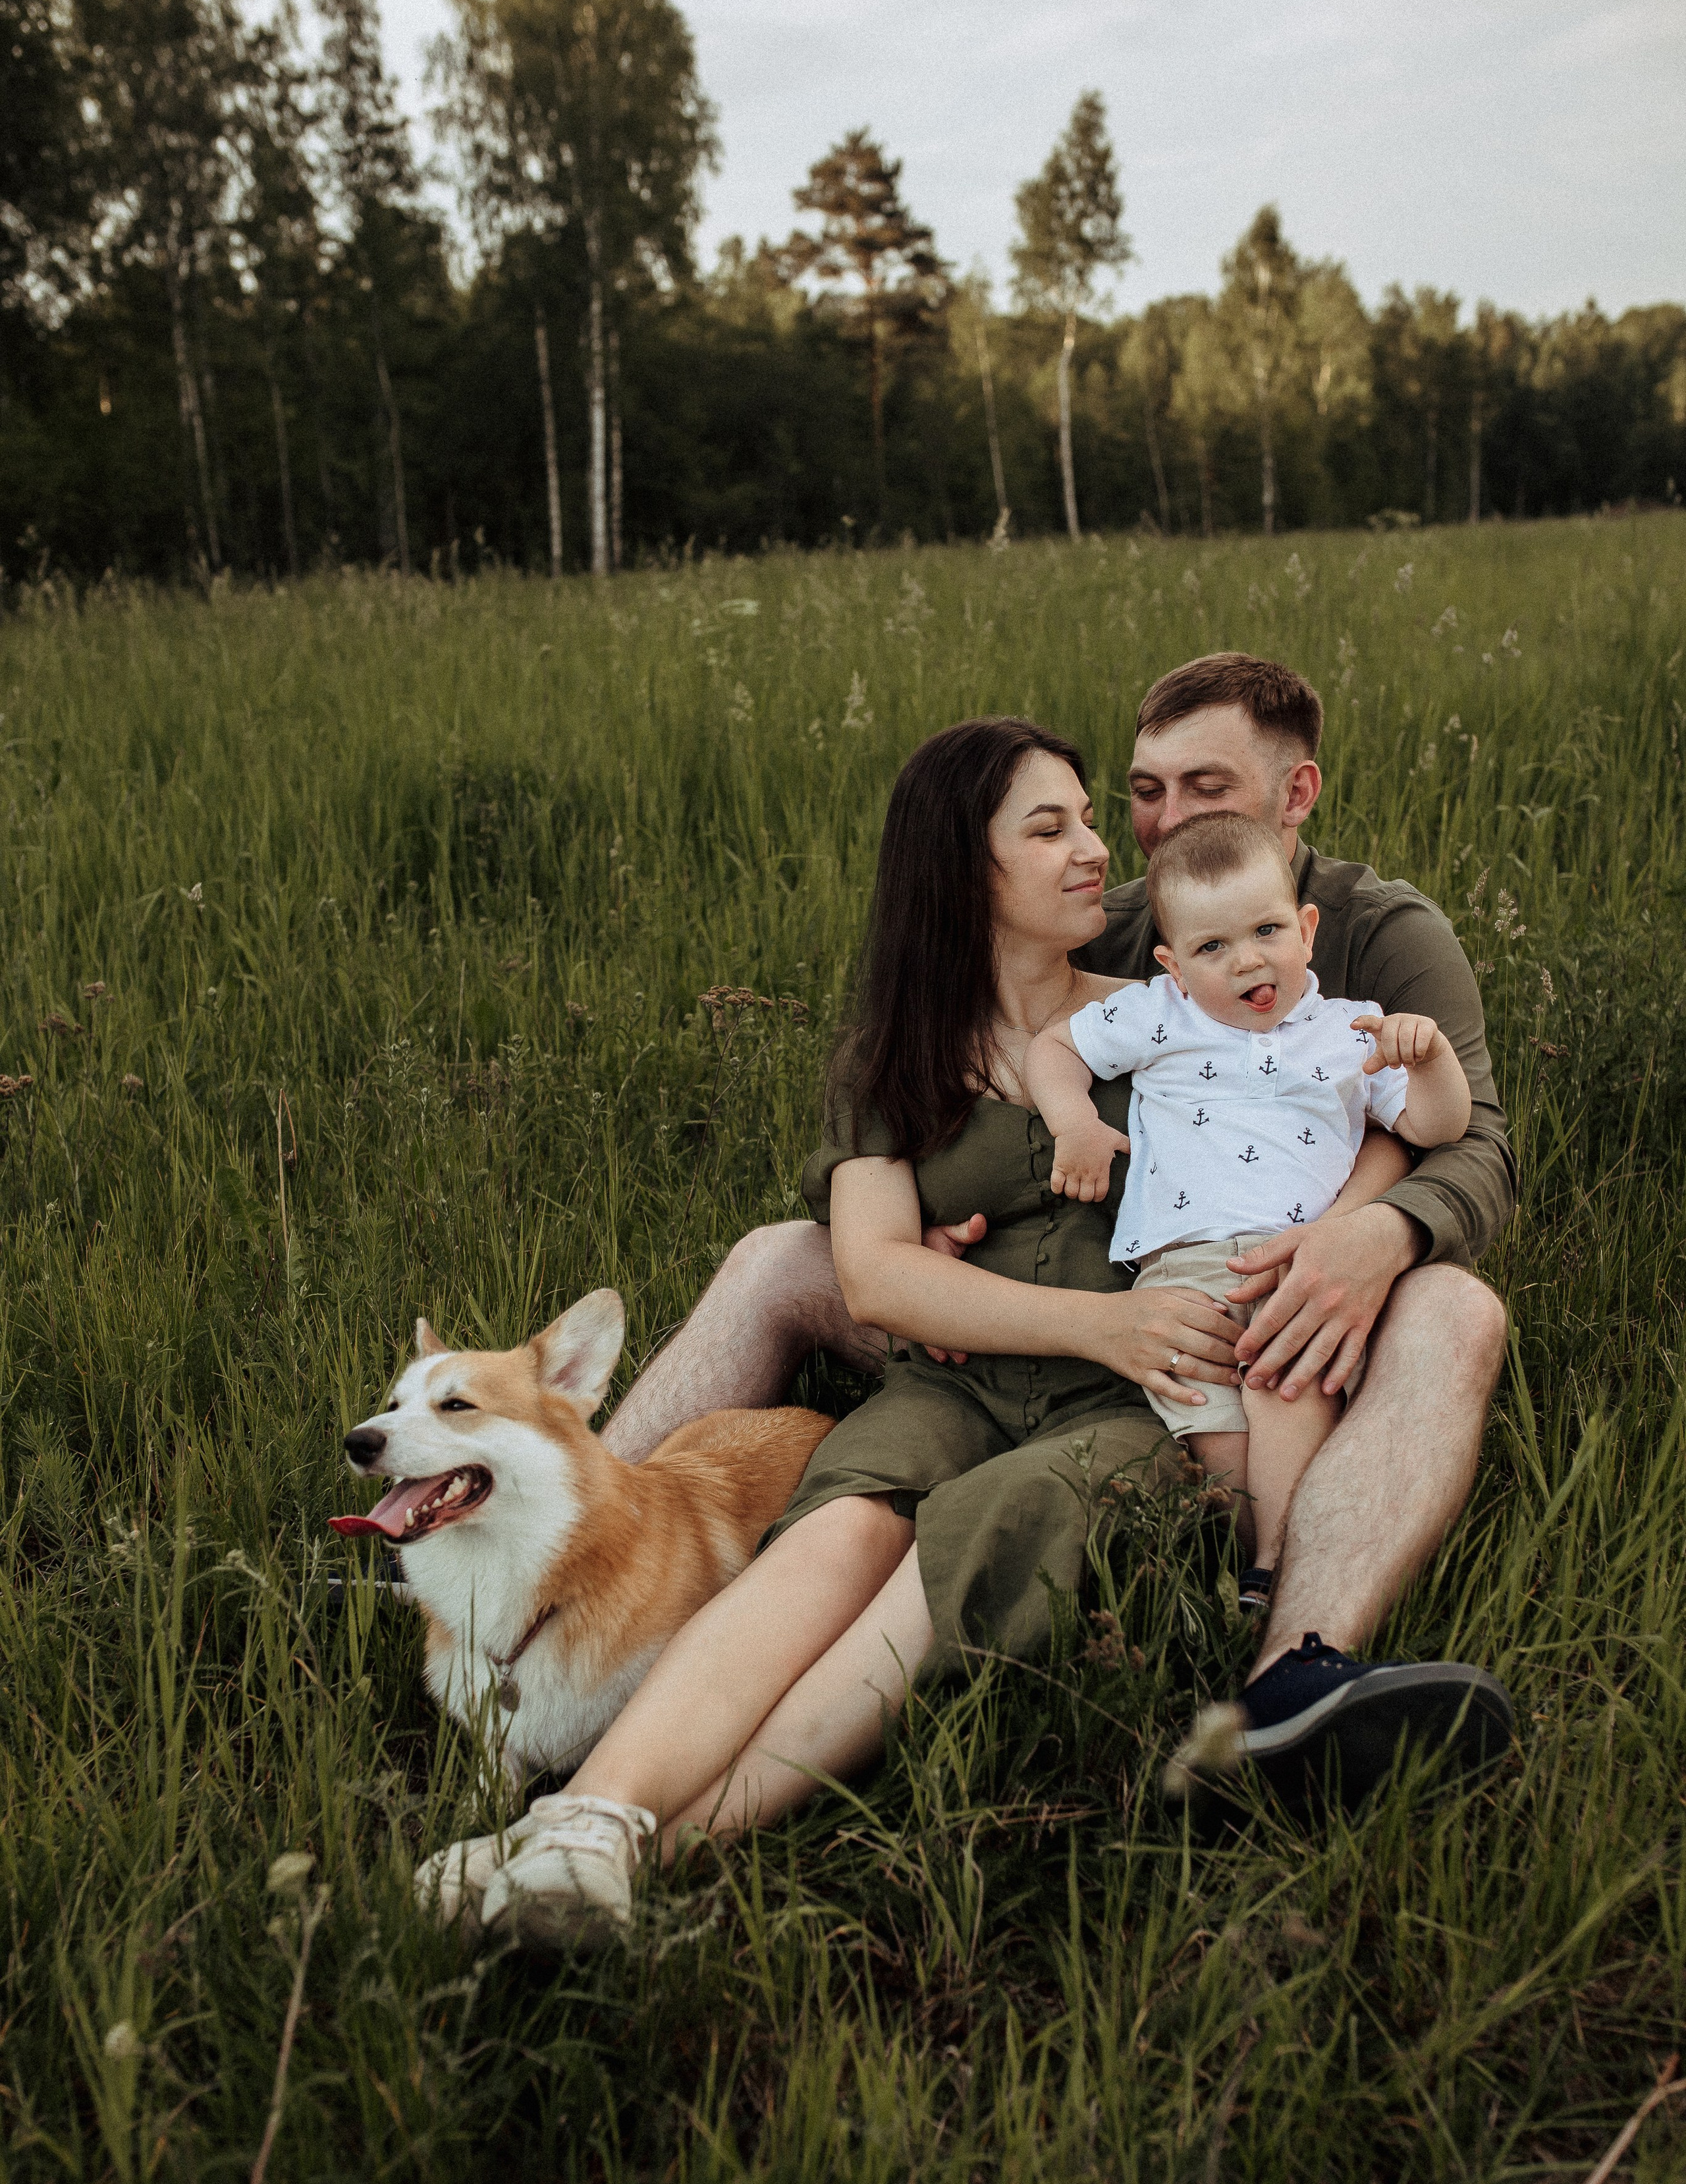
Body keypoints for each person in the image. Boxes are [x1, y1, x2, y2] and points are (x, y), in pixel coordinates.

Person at [416, 707, 1510, 1950]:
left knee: (959, 1547)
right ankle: (588, 1805)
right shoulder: (898, 1052)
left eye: (1093, 818)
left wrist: (1320, 1244)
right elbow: (874, 1277)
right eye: (1054, 828)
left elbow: (1359, 1118)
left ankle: (641, 1851)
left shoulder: (1173, 1003)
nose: (1103, 850)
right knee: (834, 1531)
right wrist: (1094, 1321)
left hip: (1134, 1403)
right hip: (967, 1379)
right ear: (961, 869)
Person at [1022, 809, 1472, 1608]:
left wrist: (1428, 1056)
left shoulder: (1348, 1029)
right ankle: (1235, 1547)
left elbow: (1436, 1128)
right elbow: (1053, 1049)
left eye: (1266, 930)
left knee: (1284, 1383)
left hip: (1302, 1258)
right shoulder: (1162, 1011)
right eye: (1211, 948)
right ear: (1173, 962)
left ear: (1306, 928)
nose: (1246, 961)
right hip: (1184, 1262)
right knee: (1216, 1432)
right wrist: (1074, 1123)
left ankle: (1269, 1564)